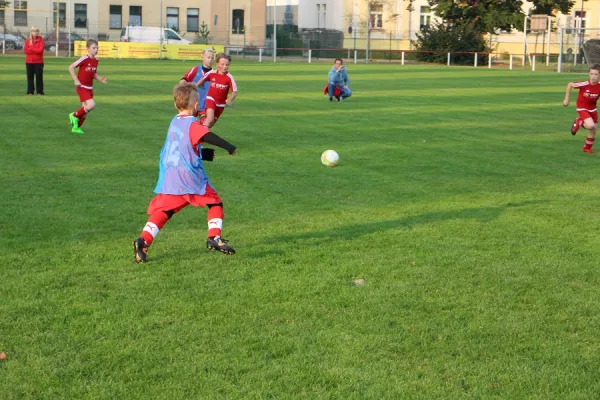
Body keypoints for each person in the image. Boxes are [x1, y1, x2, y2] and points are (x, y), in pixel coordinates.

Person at [132, 82, 238, 263]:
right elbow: (206, 135)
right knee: (215, 203)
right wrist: (229, 147)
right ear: (196, 106)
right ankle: (214, 237)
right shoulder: (193, 123)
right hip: (189, 176)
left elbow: (180, 146)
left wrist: (202, 154)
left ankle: (143, 241)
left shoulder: (174, 122)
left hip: (170, 174)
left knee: (166, 210)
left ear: (176, 105)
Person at [67, 39, 107, 134]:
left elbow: (92, 74)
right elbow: (71, 67)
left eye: (97, 48)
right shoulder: (84, 59)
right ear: (88, 49)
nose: (96, 50)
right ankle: (74, 116)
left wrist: (101, 79)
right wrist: (76, 80)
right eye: (93, 48)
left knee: (85, 111)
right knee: (91, 105)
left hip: (89, 88)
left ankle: (75, 128)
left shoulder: (96, 61)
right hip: (82, 87)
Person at [563, 63, 600, 153]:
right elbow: (570, 84)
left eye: (596, 74)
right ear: (589, 74)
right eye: (591, 74)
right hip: (582, 107)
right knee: (590, 125)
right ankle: (579, 121)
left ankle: (586, 148)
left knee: (593, 129)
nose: (593, 77)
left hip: (592, 108)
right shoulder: (584, 84)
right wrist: (566, 99)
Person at [195, 52, 237, 128]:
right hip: (211, 99)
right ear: (217, 64)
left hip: (221, 104)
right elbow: (203, 79)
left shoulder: (229, 77)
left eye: (227, 65)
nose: (225, 67)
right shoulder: (212, 73)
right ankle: (198, 136)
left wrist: (230, 99)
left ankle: (196, 130)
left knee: (209, 124)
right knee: (209, 119)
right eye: (222, 64)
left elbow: (234, 92)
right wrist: (195, 86)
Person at [180, 48, 214, 119]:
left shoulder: (214, 73)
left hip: (205, 106)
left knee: (204, 125)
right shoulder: (195, 69)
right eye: (208, 57)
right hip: (192, 104)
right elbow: (184, 79)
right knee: (188, 124)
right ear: (202, 57)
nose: (210, 59)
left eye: (212, 58)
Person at [24, 26, 45, 96]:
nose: (35, 32)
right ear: (31, 32)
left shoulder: (41, 40)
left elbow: (40, 50)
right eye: (34, 31)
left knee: (39, 77)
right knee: (30, 77)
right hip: (29, 62)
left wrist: (31, 49)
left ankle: (39, 92)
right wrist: (34, 49)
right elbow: (26, 51)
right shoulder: (27, 40)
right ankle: (30, 92)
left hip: (39, 62)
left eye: (36, 31)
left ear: (38, 32)